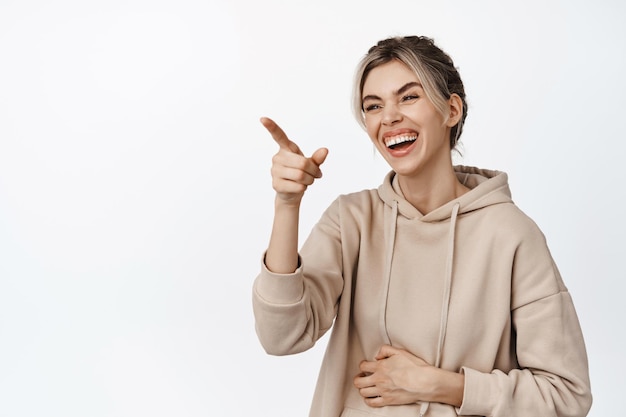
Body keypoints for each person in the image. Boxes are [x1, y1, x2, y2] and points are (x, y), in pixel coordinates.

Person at [252, 35, 592, 417]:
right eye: (373, 105)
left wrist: (439, 385)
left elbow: (567, 394)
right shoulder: (351, 220)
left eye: (408, 97)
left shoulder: (511, 234)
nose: (389, 117)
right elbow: (280, 337)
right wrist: (287, 205)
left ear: (451, 110)